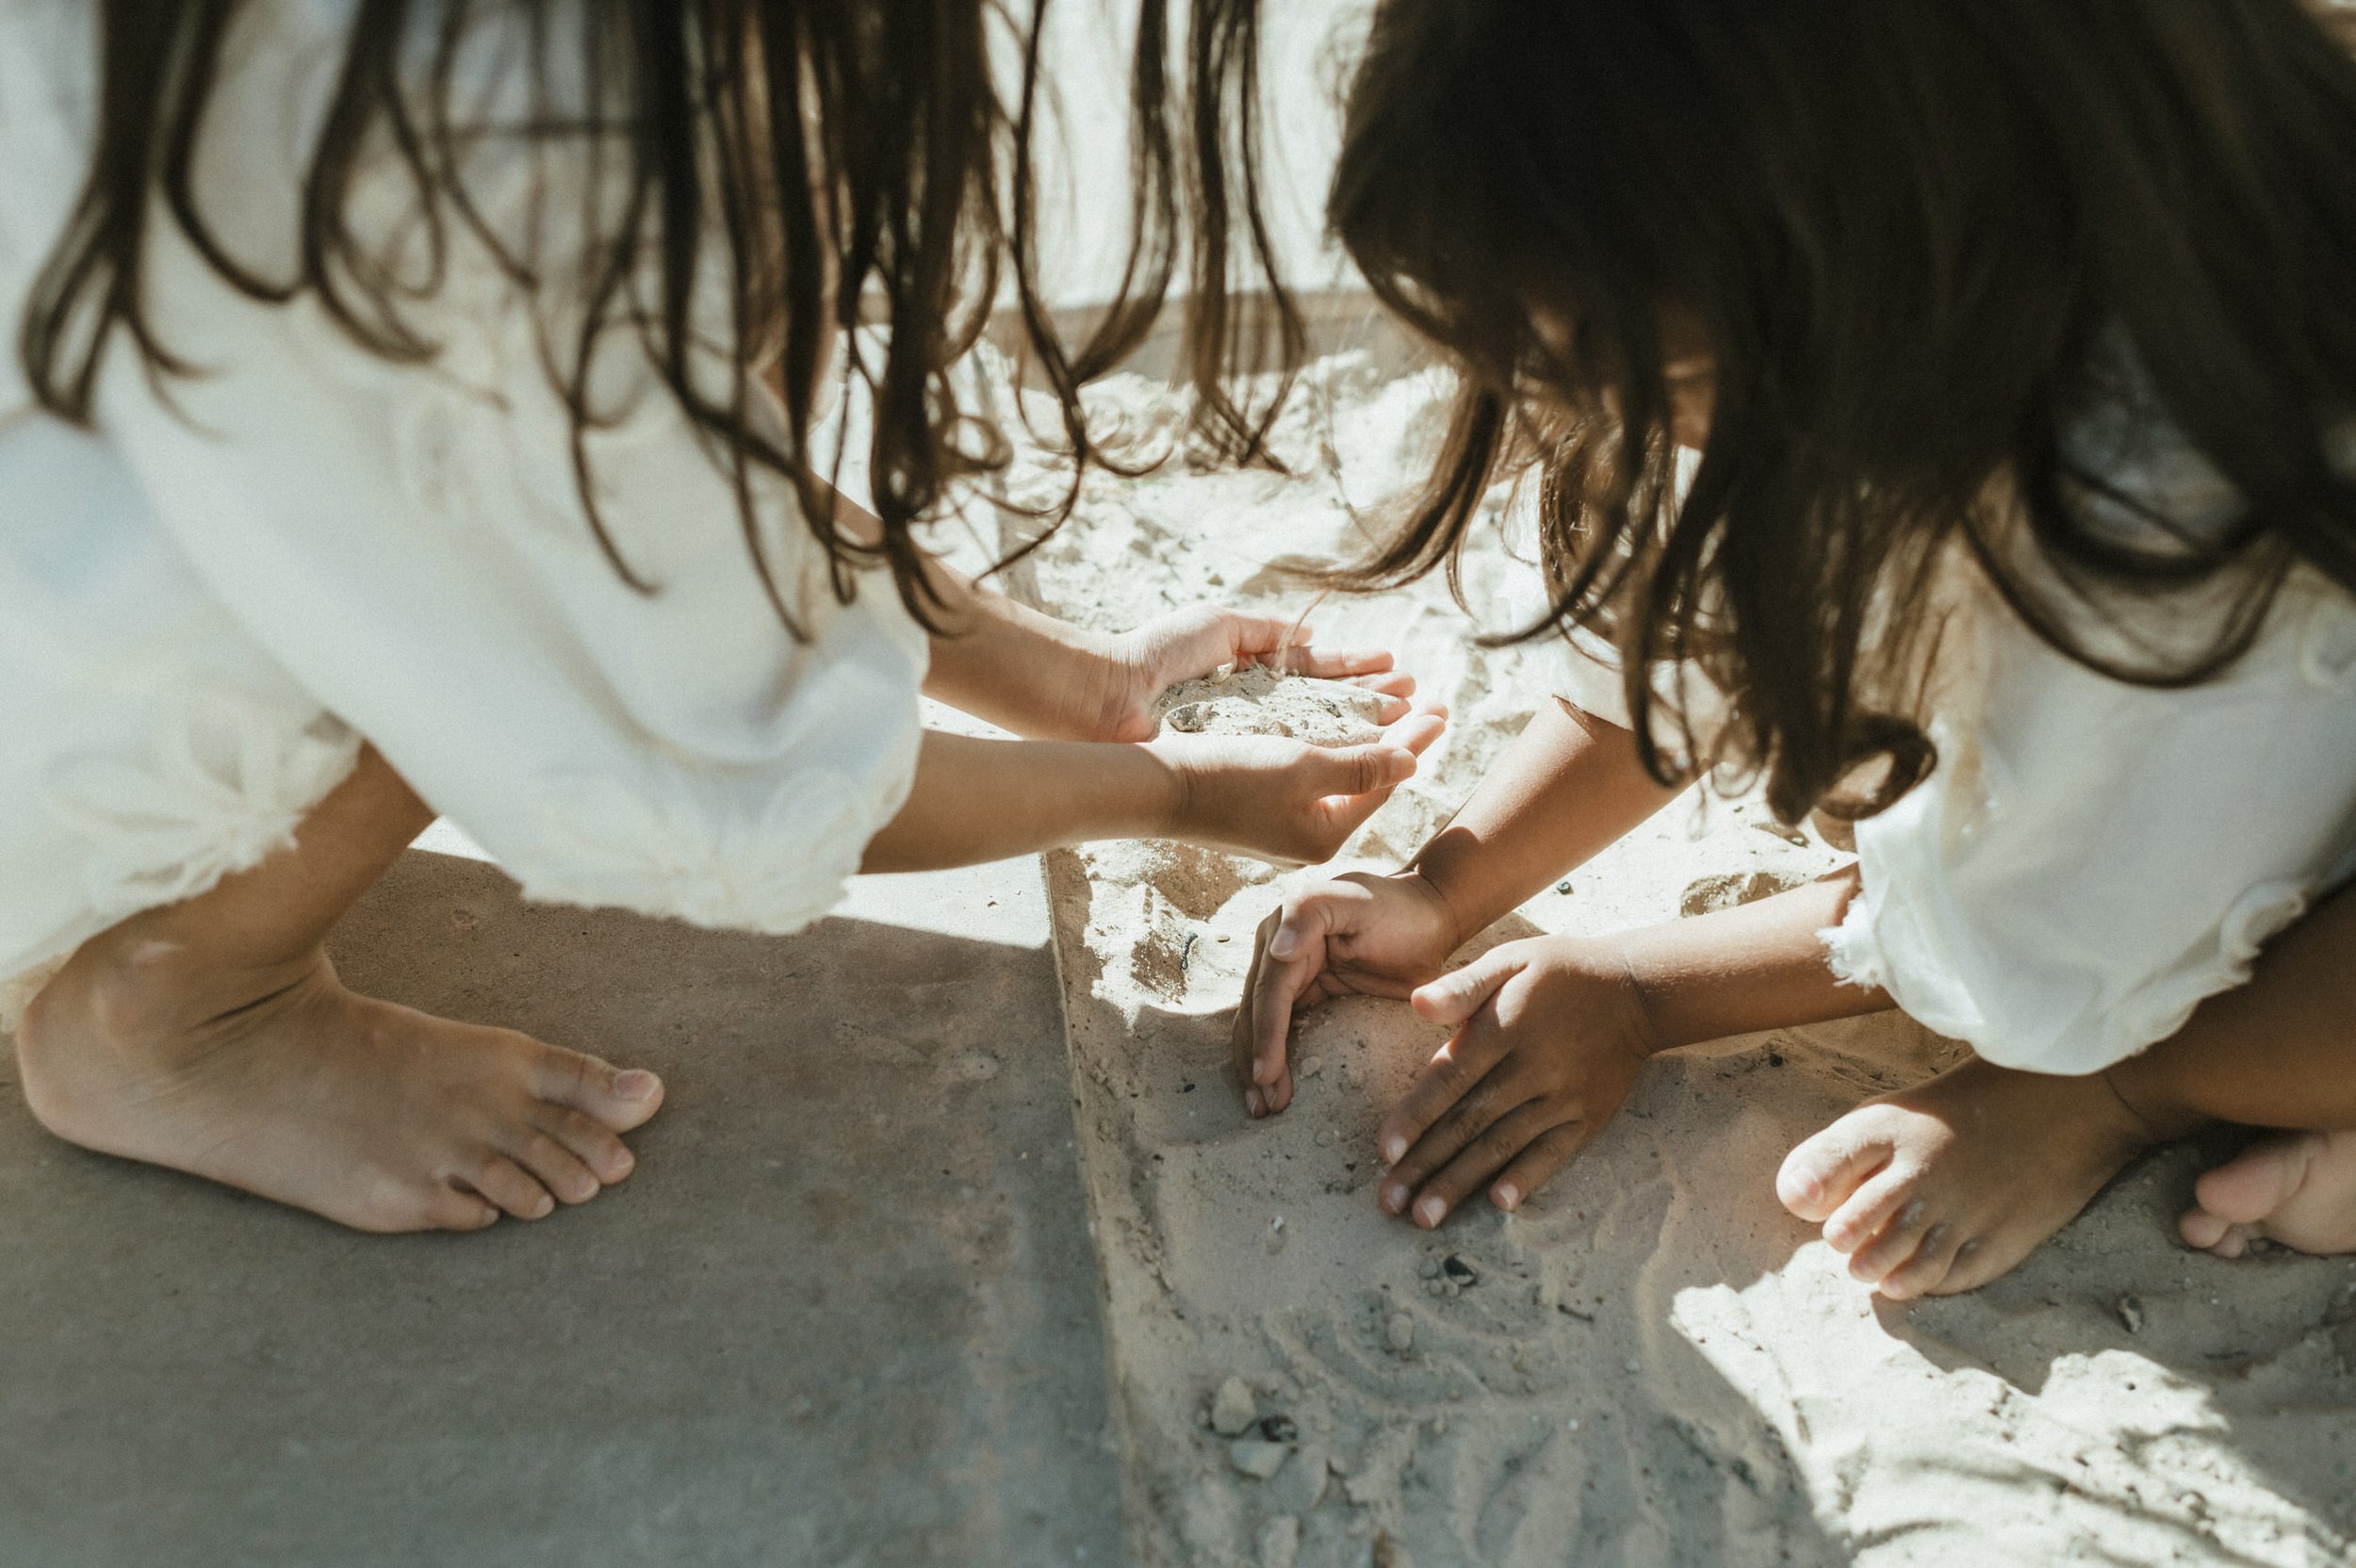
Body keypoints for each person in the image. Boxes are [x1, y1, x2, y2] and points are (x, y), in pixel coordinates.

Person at [1, 0, 1447, 1233]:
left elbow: (670, 482)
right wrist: (1178, 788)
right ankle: (182, 1009)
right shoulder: (524, 127)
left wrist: (1080, 687)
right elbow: (714, 736)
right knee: (483, 586)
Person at [1231, 0, 2356, 1297]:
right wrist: (1443, 887)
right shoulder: (1841, 261)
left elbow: (2031, 943)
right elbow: (1680, 660)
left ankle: (2135, 1099)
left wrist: (1649, 989)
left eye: (1615, 367)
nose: (1570, 404)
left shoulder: (2167, 502)